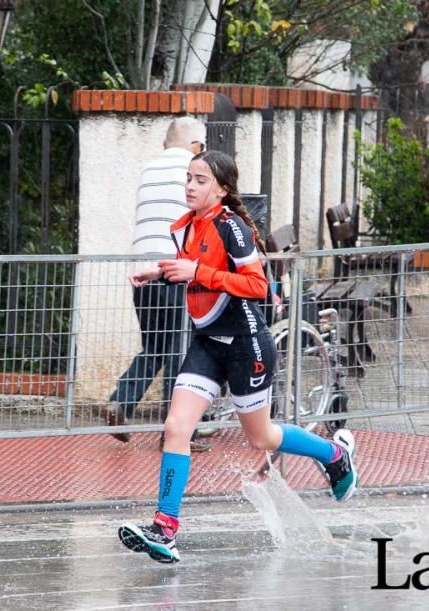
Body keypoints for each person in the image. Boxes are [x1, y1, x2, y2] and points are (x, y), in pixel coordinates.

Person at [116, 150, 359, 563]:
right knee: (176, 427)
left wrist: (197, 275)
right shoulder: (192, 225)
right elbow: (196, 266)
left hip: (247, 346)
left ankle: (334, 455)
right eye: (189, 179)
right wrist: (160, 272)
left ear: (222, 189)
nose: (191, 186)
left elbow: (257, 285)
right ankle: (165, 528)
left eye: (201, 180)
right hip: (208, 342)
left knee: (260, 437)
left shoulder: (234, 229)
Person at [105, 117, 207, 450]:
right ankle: (176, 434)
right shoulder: (195, 170)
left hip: (141, 272)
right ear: (197, 146)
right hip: (175, 271)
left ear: (166, 143)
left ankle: (121, 401)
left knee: (156, 346)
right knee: (180, 349)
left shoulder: (149, 169)